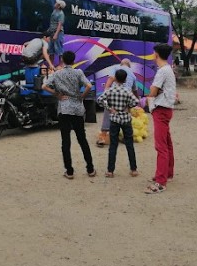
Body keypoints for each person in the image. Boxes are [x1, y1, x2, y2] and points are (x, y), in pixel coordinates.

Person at [42, 50, 96, 179]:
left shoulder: (57, 74)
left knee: (65, 141)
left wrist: (57, 94)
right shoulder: (78, 72)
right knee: (82, 139)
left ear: (62, 60)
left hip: (64, 108)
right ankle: (90, 169)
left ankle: (69, 171)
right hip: (77, 108)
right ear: (74, 61)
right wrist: (81, 96)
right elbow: (88, 86)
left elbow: (44, 86)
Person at [145, 43, 176, 194]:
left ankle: (161, 182)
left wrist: (149, 96)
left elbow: (152, 91)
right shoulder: (168, 69)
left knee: (161, 147)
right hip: (167, 109)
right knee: (167, 144)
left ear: (156, 55)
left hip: (161, 110)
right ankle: (167, 174)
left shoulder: (162, 71)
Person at [96, 69, 139, 177]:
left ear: (115, 78)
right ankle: (133, 169)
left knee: (113, 145)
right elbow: (136, 102)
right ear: (125, 80)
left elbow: (100, 99)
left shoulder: (110, 90)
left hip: (114, 119)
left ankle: (110, 171)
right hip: (126, 119)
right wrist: (127, 107)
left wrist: (110, 108)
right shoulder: (127, 91)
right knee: (129, 144)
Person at [96, 58, 138, 147]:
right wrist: (134, 102)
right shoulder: (133, 75)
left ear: (121, 64)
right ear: (129, 66)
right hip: (126, 96)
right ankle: (126, 137)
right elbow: (135, 91)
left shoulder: (116, 68)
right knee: (126, 116)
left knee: (108, 114)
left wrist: (106, 92)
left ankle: (103, 137)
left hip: (115, 95)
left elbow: (110, 79)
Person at [48, 0, 66, 66]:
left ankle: (61, 65)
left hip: (58, 33)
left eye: (57, 3)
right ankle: (51, 65)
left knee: (59, 50)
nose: (55, 3)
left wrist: (56, 34)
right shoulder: (54, 11)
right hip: (51, 32)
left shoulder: (61, 14)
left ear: (59, 6)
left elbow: (59, 25)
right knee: (51, 50)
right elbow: (52, 23)